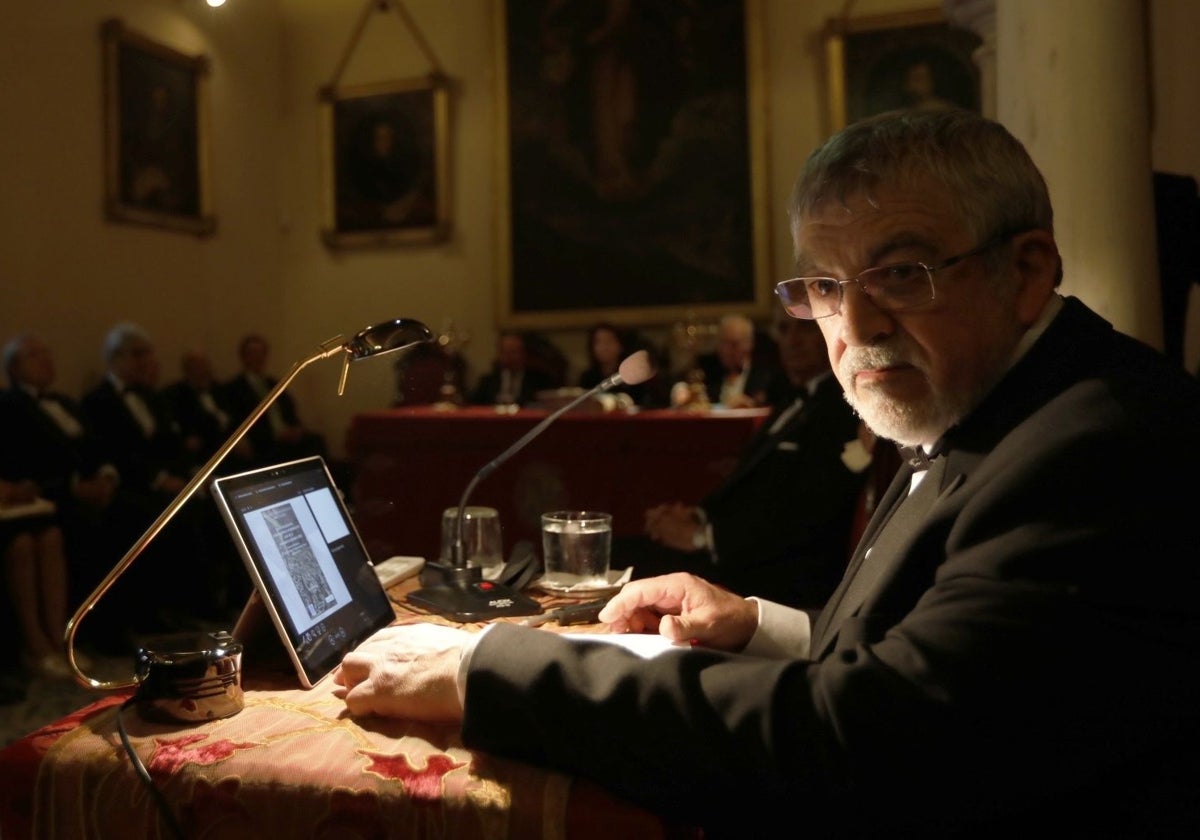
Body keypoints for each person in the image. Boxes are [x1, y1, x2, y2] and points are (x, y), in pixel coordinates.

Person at [331, 110, 1200, 836]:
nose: (854, 325)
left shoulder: (1100, 443)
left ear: (1027, 269)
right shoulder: (992, 398)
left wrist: (485, 668)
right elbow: (927, 662)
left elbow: (866, 746)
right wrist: (758, 625)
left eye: (901, 273)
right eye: (823, 285)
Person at [616, 314, 874, 608]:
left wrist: (704, 537)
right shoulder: (792, 398)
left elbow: (812, 509)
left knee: (621, 567)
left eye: (805, 328)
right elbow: (751, 480)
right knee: (619, 550)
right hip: (737, 549)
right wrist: (697, 515)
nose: (792, 340)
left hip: (768, 574)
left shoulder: (844, 407)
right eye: (784, 329)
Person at [222, 333, 329, 467]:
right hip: (263, 441)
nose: (258, 358)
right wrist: (275, 434)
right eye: (254, 354)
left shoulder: (274, 384)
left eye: (261, 354)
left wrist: (296, 429)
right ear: (244, 357)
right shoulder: (234, 388)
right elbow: (237, 421)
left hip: (286, 437)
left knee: (316, 441)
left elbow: (290, 410)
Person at [675, 313, 774, 408]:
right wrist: (680, 388)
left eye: (734, 344)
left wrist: (752, 403)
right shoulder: (709, 368)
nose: (727, 351)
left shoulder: (766, 374)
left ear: (749, 344)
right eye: (723, 344)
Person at [578, 321, 664, 407]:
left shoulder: (632, 374)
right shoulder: (587, 378)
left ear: (620, 345)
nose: (604, 347)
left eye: (609, 341)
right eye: (598, 342)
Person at [468, 331, 557, 407]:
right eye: (505, 352)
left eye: (513, 352)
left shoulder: (540, 380)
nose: (509, 357)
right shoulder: (487, 381)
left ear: (523, 354)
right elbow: (473, 405)